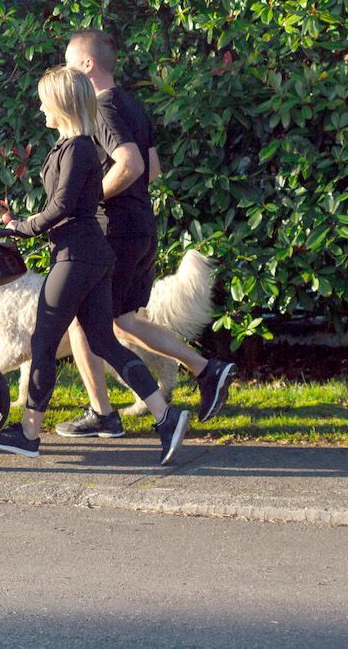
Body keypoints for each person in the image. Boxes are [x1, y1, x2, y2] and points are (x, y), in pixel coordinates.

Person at [0, 66, 191, 465]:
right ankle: (166, 418)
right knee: (104, 341)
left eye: (45, 99)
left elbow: (61, 207)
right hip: (87, 254)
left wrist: (20, 227)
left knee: (42, 342)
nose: (40, 106)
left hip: (76, 257)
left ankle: (28, 433)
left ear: (60, 103)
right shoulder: (73, 146)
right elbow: (67, 205)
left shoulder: (77, 148)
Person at [56, 30, 236, 438]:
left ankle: (103, 414)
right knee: (123, 322)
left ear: (87, 65)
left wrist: (86, 200)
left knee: (81, 324)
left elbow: (133, 164)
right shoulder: (130, 104)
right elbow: (153, 170)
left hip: (113, 230)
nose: (66, 73)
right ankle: (208, 369)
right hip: (139, 226)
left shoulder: (100, 109)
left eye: (70, 63)